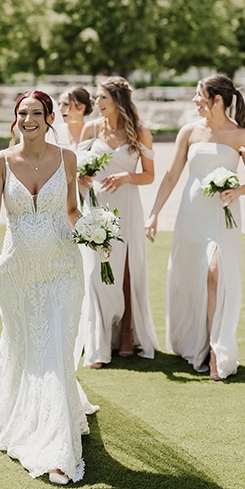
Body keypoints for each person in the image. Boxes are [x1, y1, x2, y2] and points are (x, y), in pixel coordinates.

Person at [0, 91, 92, 484]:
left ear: (50, 117)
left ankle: (57, 450)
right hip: (17, 271)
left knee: (56, 347)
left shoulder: (67, 158)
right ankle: (16, 409)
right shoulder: (1, 161)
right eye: (22, 113)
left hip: (63, 268)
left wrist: (94, 234)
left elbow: (72, 211)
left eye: (36, 113)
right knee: (25, 344)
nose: (28, 120)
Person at [148, 74, 245, 380]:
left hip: (223, 217)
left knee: (215, 274)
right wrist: (154, 213)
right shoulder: (189, 131)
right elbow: (171, 175)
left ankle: (216, 349)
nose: (194, 100)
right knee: (190, 278)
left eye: (199, 95)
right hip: (191, 216)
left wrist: (237, 190)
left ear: (217, 100)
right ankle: (194, 343)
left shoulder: (242, 136)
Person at [73, 76, 156, 365]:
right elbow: (74, 166)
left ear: (118, 100)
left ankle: (125, 334)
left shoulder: (140, 132)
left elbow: (149, 175)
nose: (96, 104)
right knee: (96, 271)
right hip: (96, 206)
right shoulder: (91, 128)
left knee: (126, 271)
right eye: (96, 98)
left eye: (101, 98)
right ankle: (97, 341)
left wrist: (126, 176)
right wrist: (80, 178)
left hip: (127, 206)